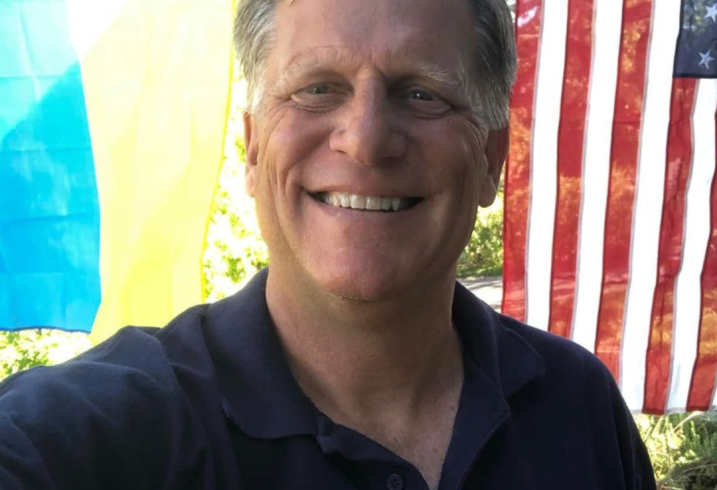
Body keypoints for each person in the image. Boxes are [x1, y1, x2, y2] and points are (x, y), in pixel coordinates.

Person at [0, 0, 656, 488]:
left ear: (489, 160)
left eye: (420, 93)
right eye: (317, 89)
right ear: (253, 146)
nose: (365, 138)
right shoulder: (107, 430)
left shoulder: (578, 406)